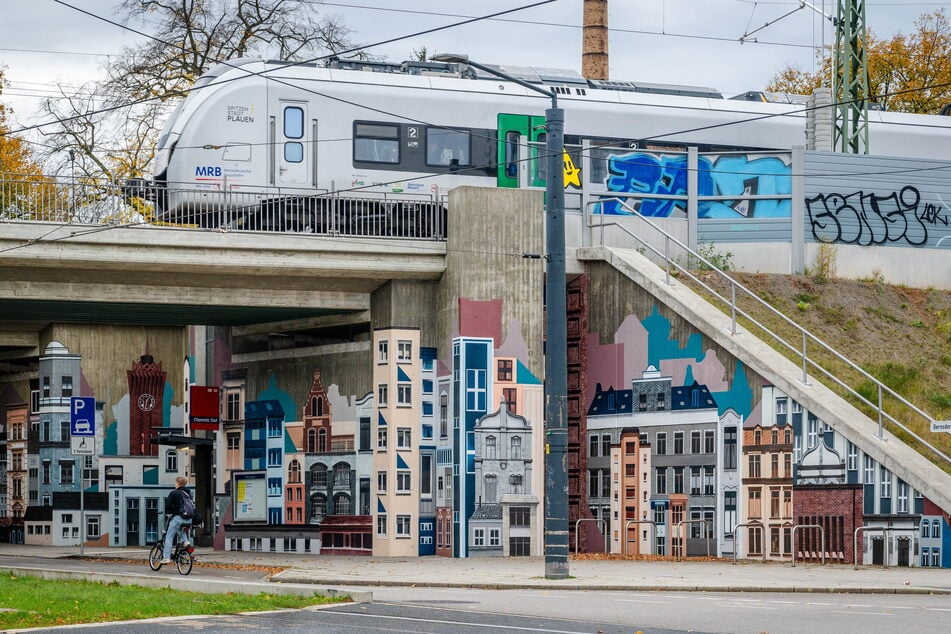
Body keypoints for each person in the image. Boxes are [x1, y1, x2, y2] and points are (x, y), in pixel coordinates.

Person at [161, 476, 193, 564]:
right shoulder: (189, 493)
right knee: (179, 528)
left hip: (179, 517)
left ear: (177, 484)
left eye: (175, 483)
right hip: (189, 519)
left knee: (169, 536)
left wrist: (170, 512)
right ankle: (186, 541)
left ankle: (166, 557)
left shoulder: (174, 493)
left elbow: (167, 506)